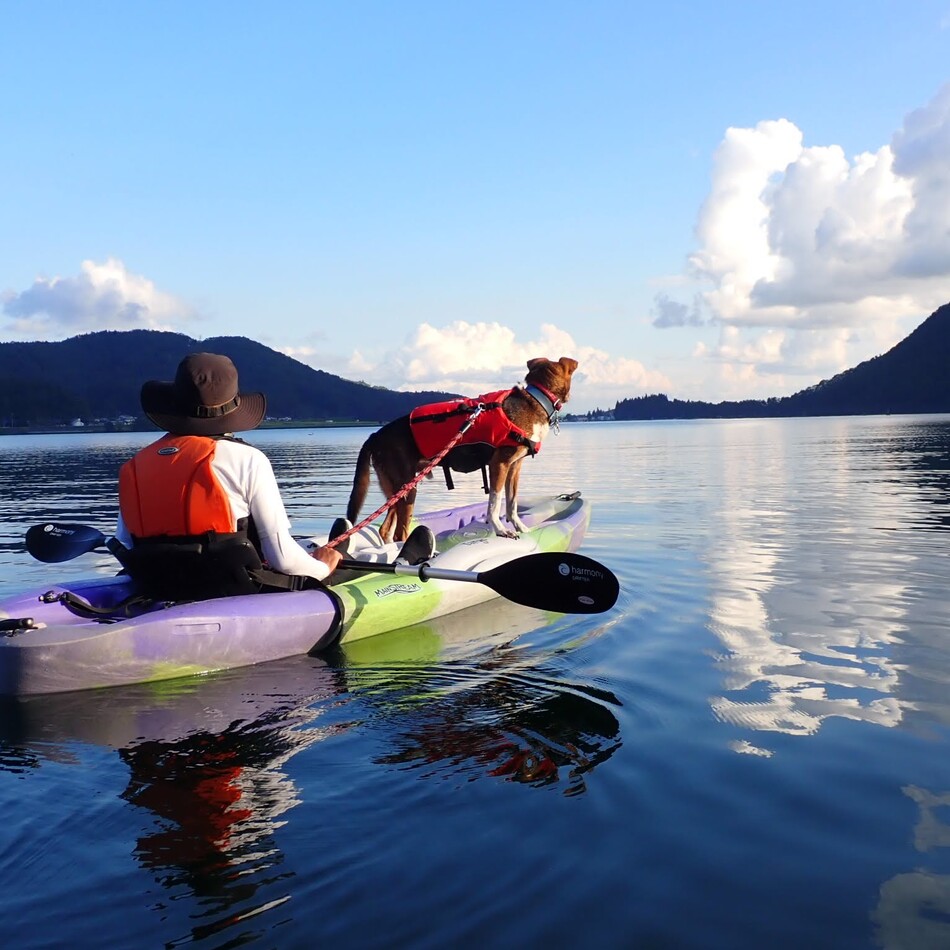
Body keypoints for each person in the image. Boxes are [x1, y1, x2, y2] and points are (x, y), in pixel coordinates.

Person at [114, 352, 342, 598]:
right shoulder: (249, 459)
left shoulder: (136, 464)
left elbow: (125, 544)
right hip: (233, 592)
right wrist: (323, 567)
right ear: (233, 408)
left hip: (156, 589)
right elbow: (283, 558)